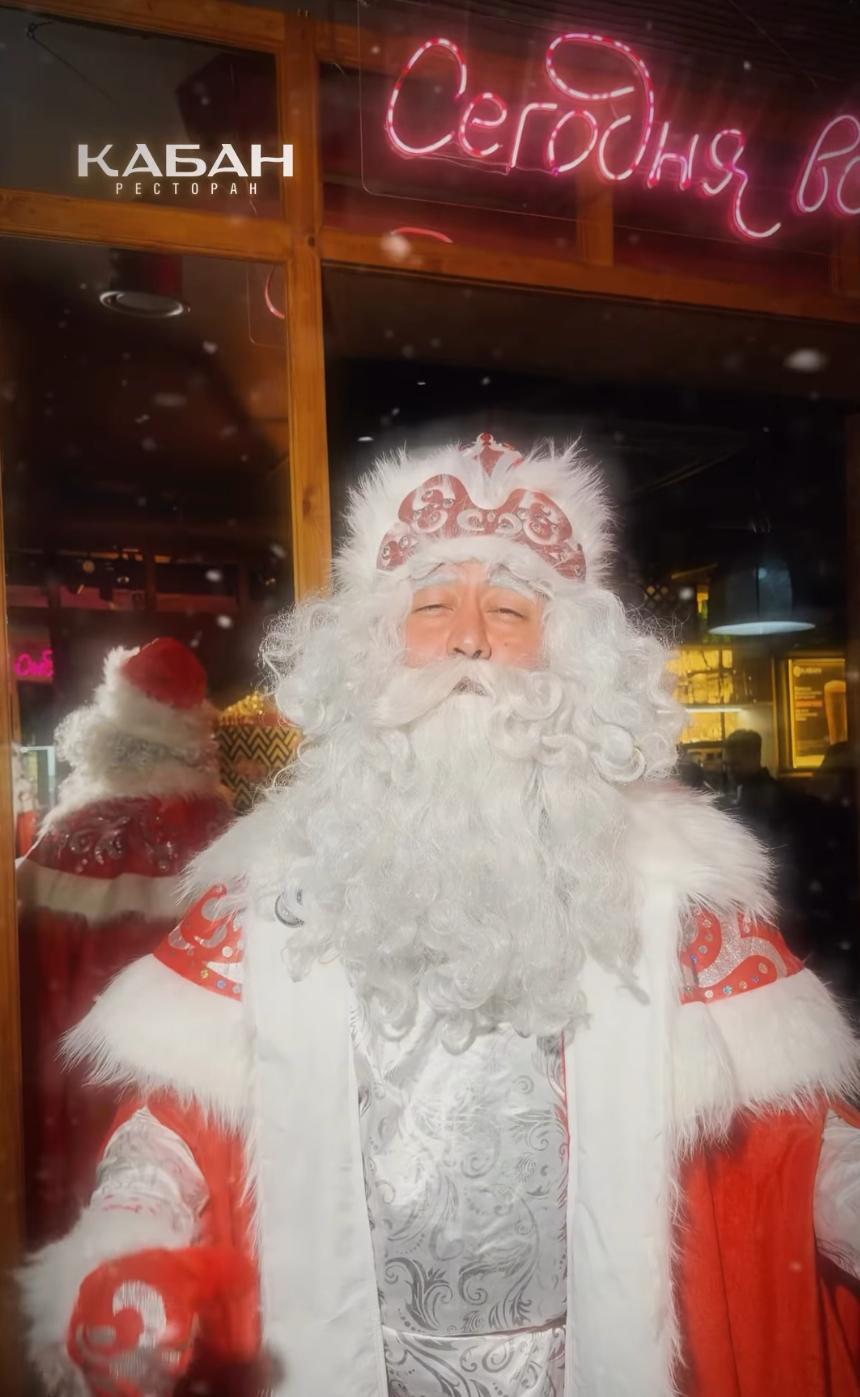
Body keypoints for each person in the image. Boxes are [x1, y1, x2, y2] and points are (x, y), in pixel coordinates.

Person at [20, 437, 860, 1397]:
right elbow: (175, 1123)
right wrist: (130, 1237)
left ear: (572, 655)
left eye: (508, 609)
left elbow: (800, 1141)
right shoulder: (273, 888)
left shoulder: (671, 883)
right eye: (431, 605)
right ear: (373, 647)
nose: (469, 640)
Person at [16, 637, 232, 1243]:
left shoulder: (71, 836)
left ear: (109, 728)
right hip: (192, 1080)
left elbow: (31, 985)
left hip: (79, 1077)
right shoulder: (223, 832)